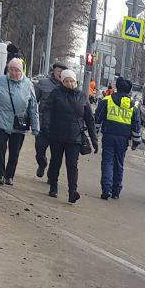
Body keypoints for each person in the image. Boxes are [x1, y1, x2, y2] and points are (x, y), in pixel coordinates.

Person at [0, 58, 40, 185]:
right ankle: (0, 175)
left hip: (19, 123)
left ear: (21, 72)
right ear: (8, 70)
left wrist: (36, 127)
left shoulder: (28, 84)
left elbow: (33, 107)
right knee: (0, 148)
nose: (14, 73)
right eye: (11, 70)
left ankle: (9, 175)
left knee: (14, 152)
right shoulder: (1, 81)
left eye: (17, 70)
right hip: (2, 121)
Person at [41, 68, 98, 203]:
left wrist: (94, 139)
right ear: (62, 82)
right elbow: (47, 111)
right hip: (57, 135)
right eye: (66, 81)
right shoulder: (56, 94)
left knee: (72, 165)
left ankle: (72, 191)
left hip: (75, 137)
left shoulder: (82, 97)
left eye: (72, 81)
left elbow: (89, 119)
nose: (69, 84)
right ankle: (53, 187)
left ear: (76, 82)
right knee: (56, 162)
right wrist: (46, 127)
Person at [94, 76, 140, 200]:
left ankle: (106, 189)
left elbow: (98, 118)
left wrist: (94, 134)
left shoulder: (107, 100)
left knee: (107, 161)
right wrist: (136, 142)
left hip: (108, 136)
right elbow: (136, 125)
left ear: (116, 87)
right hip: (123, 139)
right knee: (119, 163)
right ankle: (116, 191)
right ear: (129, 90)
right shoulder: (133, 106)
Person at [34, 61, 66, 178]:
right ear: (54, 72)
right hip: (43, 125)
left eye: (63, 72)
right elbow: (34, 102)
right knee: (39, 149)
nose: (60, 73)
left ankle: (52, 177)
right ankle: (42, 164)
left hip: (58, 127)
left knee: (56, 155)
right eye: (59, 71)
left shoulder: (66, 87)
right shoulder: (43, 83)